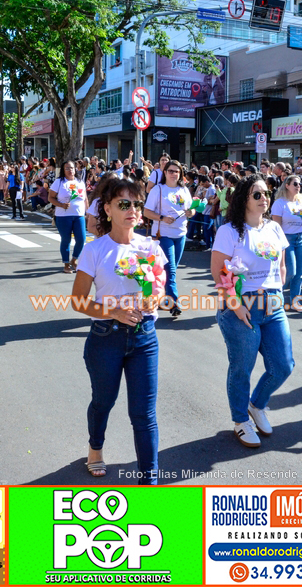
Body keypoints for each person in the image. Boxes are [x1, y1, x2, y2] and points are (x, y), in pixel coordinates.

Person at [71, 178, 164, 484]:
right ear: (108, 209)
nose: (132, 210)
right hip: (105, 338)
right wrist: (113, 311)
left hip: (144, 338)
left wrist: (154, 297)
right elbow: (78, 301)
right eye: (124, 204)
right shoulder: (95, 250)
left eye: (137, 204)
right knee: (103, 401)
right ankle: (95, 447)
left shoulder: (150, 247)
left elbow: (159, 292)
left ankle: (148, 481)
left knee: (144, 414)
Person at [211, 175, 294, 448]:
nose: (264, 198)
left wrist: (279, 291)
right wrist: (235, 306)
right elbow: (219, 272)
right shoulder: (229, 231)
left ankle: (256, 405)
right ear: (244, 198)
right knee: (242, 368)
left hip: (273, 305)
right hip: (241, 307)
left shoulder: (273, 228)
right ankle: (240, 420)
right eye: (256, 194)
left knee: (283, 365)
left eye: (266, 194)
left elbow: (281, 265)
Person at [143, 160, 194, 317]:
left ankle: (160, 296)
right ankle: (174, 303)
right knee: (170, 271)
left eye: (177, 171)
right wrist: (162, 218)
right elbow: (146, 212)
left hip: (180, 234)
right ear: (164, 173)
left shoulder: (184, 189)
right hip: (163, 234)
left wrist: (191, 213)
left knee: (170, 270)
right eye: (171, 171)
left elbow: (191, 208)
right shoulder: (158, 189)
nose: (174, 174)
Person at [271, 174, 302, 311]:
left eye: (299, 184)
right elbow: (277, 226)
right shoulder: (279, 203)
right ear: (287, 185)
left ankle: (295, 302)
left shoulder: (300, 201)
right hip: (287, 240)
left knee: (299, 274)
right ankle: (275, 298)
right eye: (295, 184)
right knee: (290, 272)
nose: (298, 186)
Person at [49, 160, 88, 273]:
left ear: (75, 169)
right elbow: (50, 198)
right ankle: (66, 264)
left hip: (79, 215)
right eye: (67, 168)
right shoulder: (59, 182)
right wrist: (61, 205)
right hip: (63, 216)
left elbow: (85, 198)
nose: (70, 170)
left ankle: (74, 260)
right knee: (66, 240)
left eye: (72, 168)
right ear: (63, 170)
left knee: (81, 239)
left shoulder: (80, 181)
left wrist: (88, 212)